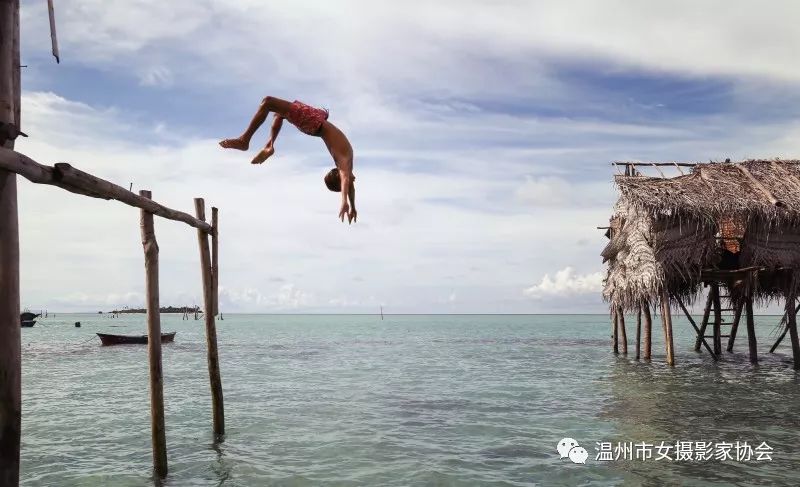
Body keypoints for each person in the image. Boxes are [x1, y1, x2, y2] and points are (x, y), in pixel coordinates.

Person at [220, 96, 357, 223]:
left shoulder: (344, 164)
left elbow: (346, 180)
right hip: (316, 122)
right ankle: (269, 145)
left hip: (314, 122)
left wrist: (344, 202)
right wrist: (353, 207)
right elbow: (349, 186)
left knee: (268, 102)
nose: (353, 181)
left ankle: (245, 140)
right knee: (280, 113)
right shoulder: (347, 167)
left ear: (339, 175)